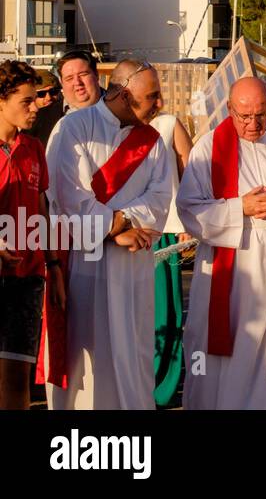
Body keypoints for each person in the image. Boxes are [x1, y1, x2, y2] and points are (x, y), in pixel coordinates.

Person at [45, 58, 173, 410]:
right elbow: (65, 199)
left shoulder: (153, 141)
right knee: (85, 362)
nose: (159, 104)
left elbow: (160, 200)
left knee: (133, 354)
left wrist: (120, 224)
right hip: (82, 269)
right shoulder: (73, 128)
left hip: (133, 268)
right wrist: (116, 231)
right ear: (124, 93)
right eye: (152, 97)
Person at [179, 77, 266, 409]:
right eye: (243, 116)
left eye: (261, 115)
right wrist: (241, 208)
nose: (253, 124)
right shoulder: (208, 148)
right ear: (229, 109)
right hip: (231, 280)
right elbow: (189, 210)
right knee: (222, 370)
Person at [0, 61, 65, 410]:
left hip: (26, 278)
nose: (35, 107)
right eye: (26, 101)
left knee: (16, 378)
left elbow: (42, 210)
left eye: (36, 99)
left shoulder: (34, 147)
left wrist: (53, 265)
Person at [149, 105, 193, 408]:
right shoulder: (110, 126)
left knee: (168, 311)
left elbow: (191, 168)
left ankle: (162, 388)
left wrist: (188, 219)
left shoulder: (167, 123)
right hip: (131, 230)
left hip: (166, 230)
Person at [27, 69, 62, 146]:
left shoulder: (64, 119)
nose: (48, 97)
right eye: (41, 94)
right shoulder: (23, 124)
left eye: (53, 92)